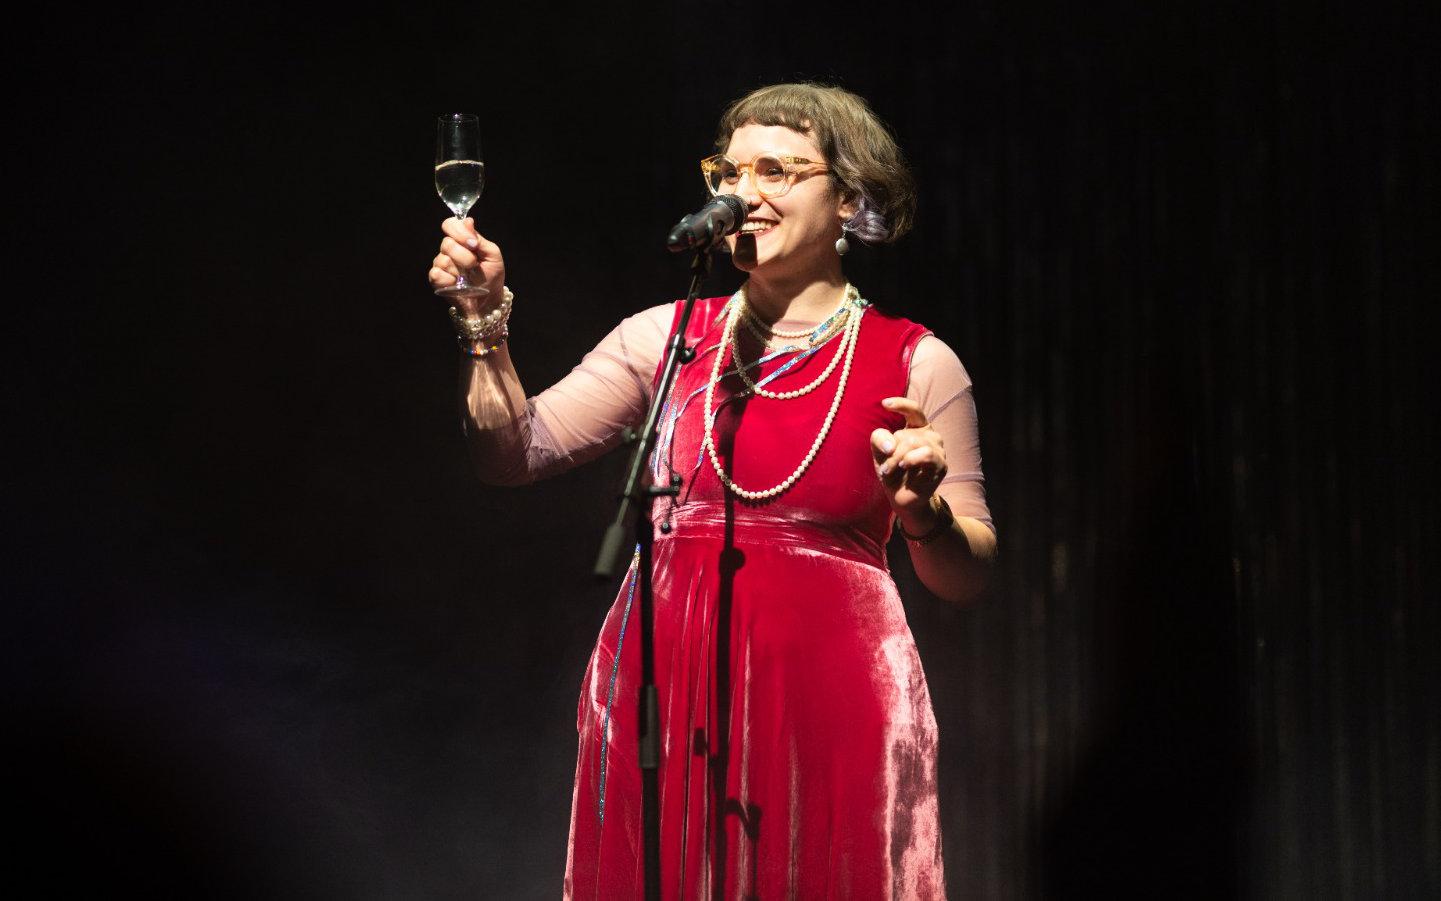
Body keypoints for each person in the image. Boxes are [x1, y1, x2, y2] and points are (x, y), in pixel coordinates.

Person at [428, 83, 996, 898]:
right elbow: (511, 453)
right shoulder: (665, 338)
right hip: (664, 689)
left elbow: (966, 574)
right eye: (728, 172)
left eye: (775, 170)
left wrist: (924, 513)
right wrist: (483, 325)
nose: (740, 193)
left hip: (829, 699)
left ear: (848, 199)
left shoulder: (916, 361)